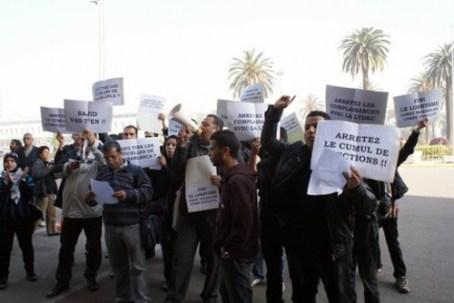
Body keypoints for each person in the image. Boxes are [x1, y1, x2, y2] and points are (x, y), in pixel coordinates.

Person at [261, 95, 377, 302]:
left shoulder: (346, 159)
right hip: (299, 246)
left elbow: (369, 205)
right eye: (307, 127)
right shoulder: (292, 152)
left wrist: (356, 188)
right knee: (303, 296)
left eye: (317, 127)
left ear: (331, 132)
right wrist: (275, 112)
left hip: (335, 247)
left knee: (341, 296)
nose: (311, 131)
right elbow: (268, 142)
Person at [165, 114, 224, 303]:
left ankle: (210, 295)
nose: (201, 127)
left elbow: (234, 171)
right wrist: (181, 147)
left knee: (214, 258)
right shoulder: (190, 144)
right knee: (182, 257)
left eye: (206, 125)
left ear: (217, 130)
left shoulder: (225, 148)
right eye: (202, 124)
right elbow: (175, 171)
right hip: (190, 212)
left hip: (212, 213)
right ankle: (175, 296)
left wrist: (222, 180)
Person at [91, 141, 153, 303]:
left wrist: (127, 195)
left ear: (121, 154)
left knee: (138, 266)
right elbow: (96, 198)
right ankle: (122, 297)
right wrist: (90, 198)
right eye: (107, 158)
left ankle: (142, 299)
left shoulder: (136, 171)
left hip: (131, 224)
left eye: (113, 157)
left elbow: (148, 192)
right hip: (110, 224)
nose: (110, 161)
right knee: (118, 265)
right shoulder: (103, 173)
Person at [47, 129, 105, 298]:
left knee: (93, 248)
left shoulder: (98, 150)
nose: (79, 138)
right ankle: (62, 281)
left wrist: (93, 143)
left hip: (91, 212)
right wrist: (67, 166)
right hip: (71, 212)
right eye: (77, 135)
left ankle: (91, 277)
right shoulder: (69, 152)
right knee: (65, 249)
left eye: (83, 135)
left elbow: (105, 164)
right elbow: (55, 171)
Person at [377, 119, 427, 294]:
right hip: (369, 210)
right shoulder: (363, 161)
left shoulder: (390, 160)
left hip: (389, 209)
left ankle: (401, 276)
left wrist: (416, 131)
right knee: (367, 240)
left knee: (393, 243)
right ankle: (375, 265)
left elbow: (406, 151)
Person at [210, 130, 258, 303]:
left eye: (213, 148)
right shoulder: (233, 177)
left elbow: (244, 222)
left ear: (226, 151)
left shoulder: (237, 180)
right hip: (235, 253)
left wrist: (228, 248)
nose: (210, 153)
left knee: (238, 296)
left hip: (237, 255)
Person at [0, 153, 41, 290]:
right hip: (6, 219)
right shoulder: (1, 178)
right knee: (4, 249)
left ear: (17, 163)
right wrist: (7, 184)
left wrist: (22, 180)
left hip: (23, 218)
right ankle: (3, 277)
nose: (9, 163)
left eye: (12, 161)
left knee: (26, 246)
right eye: (7, 161)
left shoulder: (25, 176)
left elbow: (31, 194)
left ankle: (30, 271)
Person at [32, 146, 59, 235]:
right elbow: (36, 174)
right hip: (43, 192)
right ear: (40, 154)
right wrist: (49, 168)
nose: (47, 154)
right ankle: (30, 230)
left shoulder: (47, 163)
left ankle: (52, 230)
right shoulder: (37, 162)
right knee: (39, 213)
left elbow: (54, 175)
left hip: (50, 190)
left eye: (48, 152)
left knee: (52, 213)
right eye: (45, 152)